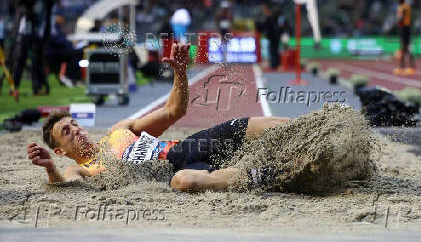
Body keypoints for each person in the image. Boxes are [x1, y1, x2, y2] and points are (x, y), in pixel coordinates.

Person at [26, 43, 289, 192]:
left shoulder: (119, 131)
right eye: (66, 132)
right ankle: (279, 175)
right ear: (60, 151)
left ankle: (315, 127)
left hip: (189, 147)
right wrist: (51, 169)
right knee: (184, 182)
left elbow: (173, 111)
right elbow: (68, 187)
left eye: (74, 124)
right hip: (177, 172)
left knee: (252, 125)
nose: (76, 129)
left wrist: (181, 73)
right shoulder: (80, 168)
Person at [393, 0, 415, 76]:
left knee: (403, 48)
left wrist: (395, 24)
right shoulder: (408, 6)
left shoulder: (401, 7)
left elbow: (400, 18)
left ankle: (402, 67)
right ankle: (409, 67)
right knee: (406, 48)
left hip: (403, 28)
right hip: (408, 27)